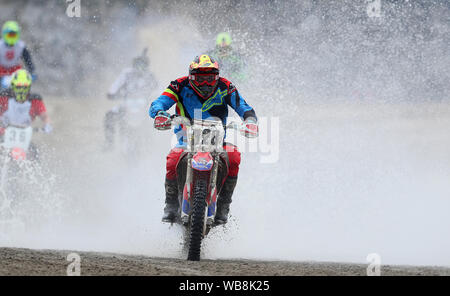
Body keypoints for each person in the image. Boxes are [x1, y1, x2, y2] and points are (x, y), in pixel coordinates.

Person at [149, 54, 258, 224]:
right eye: (200, 79)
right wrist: (160, 113)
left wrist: (250, 121)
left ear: (217, 77)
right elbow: (159, 102)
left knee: (234, 157)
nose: (206, 83)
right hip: (186, 141)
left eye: (209, 78)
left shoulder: (226, 87)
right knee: (172, 160)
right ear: (191, 77)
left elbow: (245, 107)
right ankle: (170, 205)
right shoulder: (178, 85)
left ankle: (223, 206)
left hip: (217, 142)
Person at [103, 48, 157, 151]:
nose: (140, 68)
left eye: (143, 65)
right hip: (126, 104)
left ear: (147, 65)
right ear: (134, 64)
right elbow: (115, 86)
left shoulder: (150, 76)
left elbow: (159, 89)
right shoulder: (126, 74)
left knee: (155, 119)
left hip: (144, 106)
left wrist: (157, 97)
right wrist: (112, 93)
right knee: (109, 116)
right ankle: (109, 143)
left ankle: (151, 144)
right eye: (138, 64)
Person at [0, 69, 52, 160]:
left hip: (23, 137)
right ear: (12, 86)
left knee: (34, 154)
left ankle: (34, 172)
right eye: (19, 87)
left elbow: (44, 116)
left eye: (24, 87)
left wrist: (47, 125)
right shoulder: (4, 97)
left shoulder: (35, 100)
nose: (21, 90)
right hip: (3, 133)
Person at [0, 21, 36, 89]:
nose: (11, 37)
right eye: (9, 35)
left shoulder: (21, 46)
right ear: (4, 34)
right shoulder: (0, 46)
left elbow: (28, 60)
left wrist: (32, 71)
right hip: (1, 71)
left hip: (15, 71)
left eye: (14, 35)